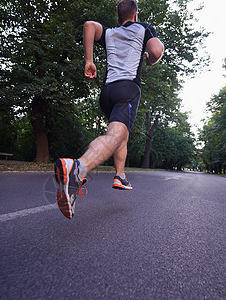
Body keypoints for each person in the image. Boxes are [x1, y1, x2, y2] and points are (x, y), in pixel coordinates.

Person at [54, 0, 164, 219]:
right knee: (115, 135)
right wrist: (151, 60)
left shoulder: (111, 32)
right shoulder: (143, 27)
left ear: (118, 18)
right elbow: (156, 50)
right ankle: (77, 169)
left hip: (107, 94)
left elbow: (89, 26)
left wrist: (89, 60)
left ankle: (120, 175)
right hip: (127, 89)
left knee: (121, 135)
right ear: (135, 15)